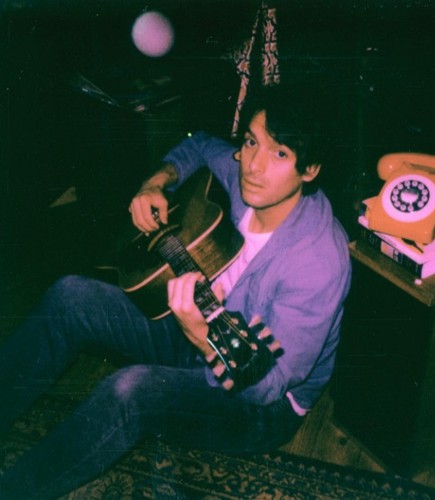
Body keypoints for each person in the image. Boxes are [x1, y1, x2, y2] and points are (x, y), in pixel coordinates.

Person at [0, 86, 351, 498]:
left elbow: (268, 386)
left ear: (309, 170)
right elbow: (199, 145)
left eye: (280, 154)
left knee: (130, 392)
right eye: (251, 142)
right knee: (70, 297)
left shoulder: (319, 260)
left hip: (261, 404)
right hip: (198, 325)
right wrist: (155, 183)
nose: (253, 165)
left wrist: (201, 336)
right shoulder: (247, 180)